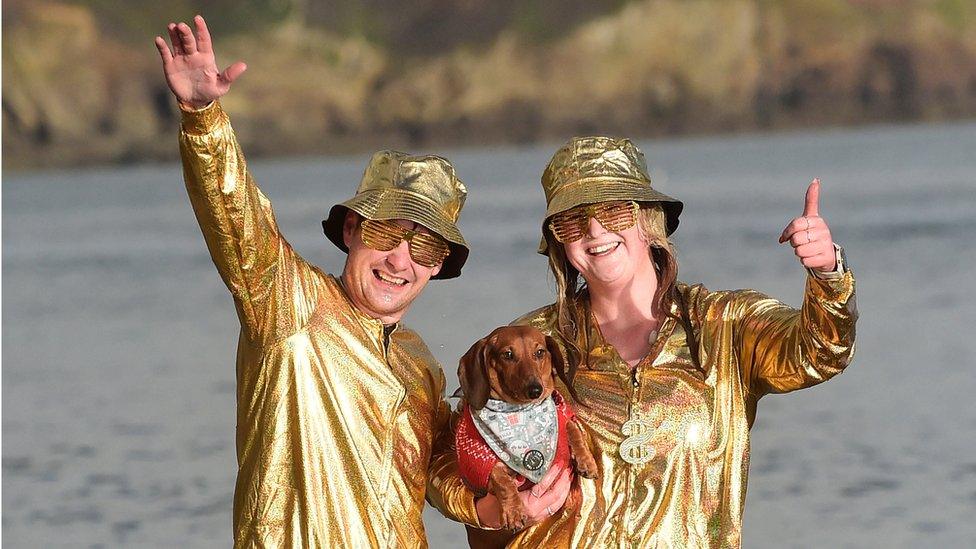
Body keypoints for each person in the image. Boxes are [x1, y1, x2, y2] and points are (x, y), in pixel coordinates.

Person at [154, 15, 487, 547]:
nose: (400, 260)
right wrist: (203, 120)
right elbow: (239, 221)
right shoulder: (290, 303)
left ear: (437, 265)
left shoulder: (422, 364)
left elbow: (437, 474)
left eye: (424, 246)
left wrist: (493, 499)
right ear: (352, 229)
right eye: (387, 232)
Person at [428, 136, 857, 547]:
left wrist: (827, 273)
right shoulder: (527, 346)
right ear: (559, 241)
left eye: (613, 211)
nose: (595, 231)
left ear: (648, 219)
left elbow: (819, 354)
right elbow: (449, 450)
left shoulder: (725, 324)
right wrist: (483, 508)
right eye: (573, 220)